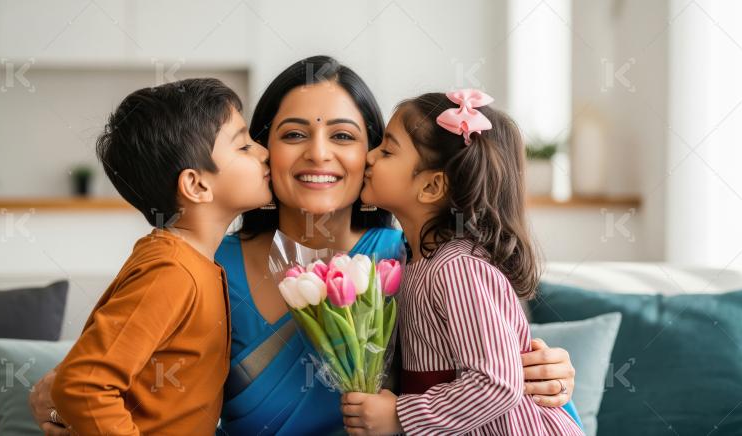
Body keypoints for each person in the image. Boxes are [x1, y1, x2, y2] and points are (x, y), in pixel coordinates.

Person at [30, 57, 578, 436]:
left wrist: (550, 373)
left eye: (344, 136)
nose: (319, 154)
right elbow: (105, 368)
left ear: (373, 153)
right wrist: (51, 391)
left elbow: (491, 373)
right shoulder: (203, 265)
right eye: (293, 134)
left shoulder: (414, 258)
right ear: (263, 148)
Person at [341, 90, 583, 435]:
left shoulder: (456, 267)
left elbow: (497, 382)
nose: (369, 157)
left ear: (431, 186)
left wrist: (399, 416)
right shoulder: (417, 261)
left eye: (387, 149)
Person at [48, 78, 271, 435]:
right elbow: (82, 385)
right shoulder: (170, 271)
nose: (264, 151)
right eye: (243, 146)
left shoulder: (194, 263)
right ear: (196, 185)